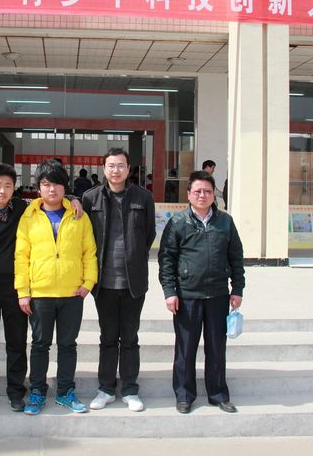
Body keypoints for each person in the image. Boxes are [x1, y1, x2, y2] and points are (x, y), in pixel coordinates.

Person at [0, 163, 85, 413]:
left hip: (16, 289)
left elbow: (51, 196)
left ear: (14, 188)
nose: (3, 191)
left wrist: (74, 199)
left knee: (17, 343)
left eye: (8, 186)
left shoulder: (22, 208)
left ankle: (16, 392)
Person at [158, 170, 245, 415]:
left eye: (207, 191)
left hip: (218, 295)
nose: (202, 195)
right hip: (187, 296)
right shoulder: (178, 222)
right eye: (197, 191)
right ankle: (184, 395)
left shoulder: (225, 222)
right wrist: (169, 291)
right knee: (185, 349)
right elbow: (166, 260)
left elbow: (236, 257)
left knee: (217, 348)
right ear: (188, 194)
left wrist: (237, 288)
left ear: (213, 195)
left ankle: (218, 395)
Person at [15, 160, 98, 416]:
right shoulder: (28, 217)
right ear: (38, 187)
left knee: (67, 345)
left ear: (65, 187)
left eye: (57, 184)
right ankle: (37, 392)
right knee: (40, 345)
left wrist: (88, 283)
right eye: (46, 184)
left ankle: (65, 391)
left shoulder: (78, 215)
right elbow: (21, 256)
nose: (52, 189)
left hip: (71, 294)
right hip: (40, 293)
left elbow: (89, 252)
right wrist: (23, 291)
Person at [82, 147, 156, 412]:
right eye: (111, 166)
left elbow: (149, 234)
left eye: (121, 165)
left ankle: (130, 389)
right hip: (103, 282)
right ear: (104, 169)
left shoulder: (143, 197)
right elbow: (84, 235)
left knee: (130, 337)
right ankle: (105, 389)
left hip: (133, 282)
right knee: (108, 337)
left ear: (128, 169)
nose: (116, 170)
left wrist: (134, 256)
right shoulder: (90, 198)